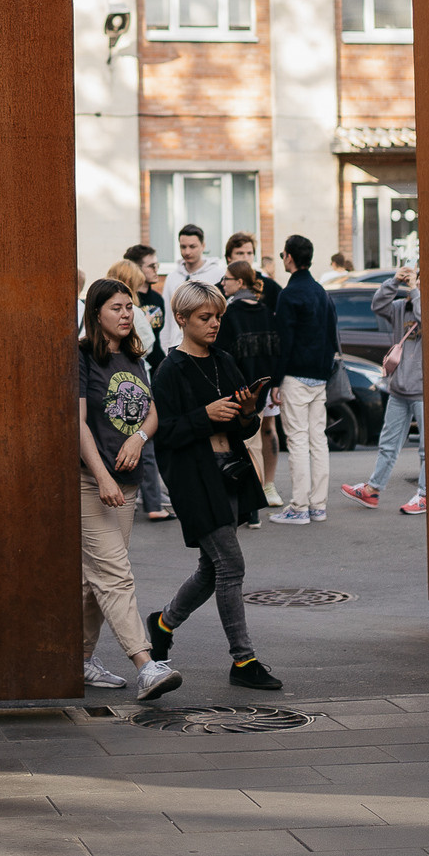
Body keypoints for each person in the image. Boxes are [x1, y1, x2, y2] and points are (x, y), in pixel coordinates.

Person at [145, 284, 281, 691]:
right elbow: (165, 433)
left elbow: (245, 427)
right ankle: (243, 660)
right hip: (194, 479)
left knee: (212, 567)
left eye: (218, 317)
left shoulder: (224, 360)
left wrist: (248, 413)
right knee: (231, 565)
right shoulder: (169, 370)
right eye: (205, 317)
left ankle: (163, 622)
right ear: (181, 319)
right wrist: (205, 415)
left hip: (231, 473)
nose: (215, 324)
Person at [75, 279, 185, 702]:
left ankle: (79, 658)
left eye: (128, 307)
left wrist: (139, 438)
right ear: (96, 313)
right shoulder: (82, 356)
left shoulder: (134, 356)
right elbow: (77, 422)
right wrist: (101, 476)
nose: (125, 314)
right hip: (91, 484)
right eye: (116, 308)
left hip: (128, 484)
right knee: (115, 575)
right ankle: (146, 665)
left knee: (95, 580)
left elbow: (152, 411)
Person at [341, 262, 425, 514]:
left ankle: (425, 495)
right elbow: (378, 305)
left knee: (426, 448)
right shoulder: (400, 308)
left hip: (424, 391)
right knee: (388, 443)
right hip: (399, 388)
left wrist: (415, 290)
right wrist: (394, 281)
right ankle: (372, 490)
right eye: (416, 277)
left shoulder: (427, 306)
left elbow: (425, 318)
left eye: (420, 279)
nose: (416, 281)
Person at [270, 235, 336, 525]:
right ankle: (318, 506)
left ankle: (299, 507)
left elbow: (284, 342)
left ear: (289, 257)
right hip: (319, 376)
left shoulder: (289, 294)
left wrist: (275, 381)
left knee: (297, 440)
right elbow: (332, 334)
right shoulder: (321, 291)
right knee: (318, 440)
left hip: (295, 375)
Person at [108, 257, 174, 521]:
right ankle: (153, 503)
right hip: (136, 381)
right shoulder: (133, 313)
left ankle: (136, 497)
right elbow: (146, 344)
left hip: (120, 381)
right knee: (144, 441)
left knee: (122, 437)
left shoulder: (105, 312)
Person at [216, 260, 284, 518]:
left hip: (239, 391)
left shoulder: (229, 314)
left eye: (227, 279)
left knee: (243, 446)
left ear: (240, 282)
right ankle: (254, 504)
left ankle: (251, 507)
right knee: (255, 445)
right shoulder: (266, 312)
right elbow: (276, 351)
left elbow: (222, 355)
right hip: (263, 389)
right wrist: (273, 383)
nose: (223, 283)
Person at [159, 225, 216, 355]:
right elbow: (167, 316)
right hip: (175, 348)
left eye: (192, 246)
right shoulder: (172, 277)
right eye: (183, 247)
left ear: (203, 246)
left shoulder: (216, 274)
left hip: (206, 349)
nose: (187, 252)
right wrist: (166, 347)